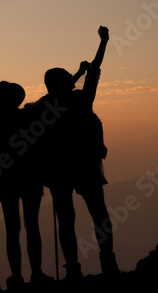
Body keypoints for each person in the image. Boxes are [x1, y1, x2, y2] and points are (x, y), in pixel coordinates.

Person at [28, 26, 118, 278]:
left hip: (56, 170)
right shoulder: (81, 100)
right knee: (99, 212)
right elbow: (94, 72)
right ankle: (108, 262)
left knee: (65, 218)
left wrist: (76, 73)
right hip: (85, 165)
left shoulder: (41, 107)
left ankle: (72, 267)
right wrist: (103, 42)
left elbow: (63, 89)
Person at [0, 81, 47, 289]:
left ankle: (16, 277)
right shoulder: (29, 117)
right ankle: (36, 274)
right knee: (32, 226)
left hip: (6, 179)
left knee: (12, 229)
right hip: (31, 177)